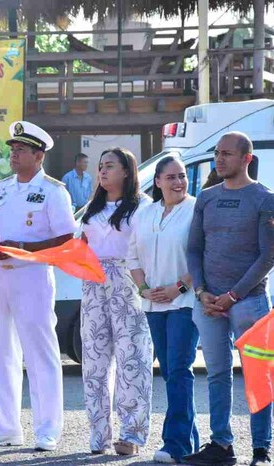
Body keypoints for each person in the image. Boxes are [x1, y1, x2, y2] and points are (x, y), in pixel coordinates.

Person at [0, 122, 75, 451]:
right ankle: (8, 426)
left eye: (21, 150)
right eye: (12, 149)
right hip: (0, 276)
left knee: (40, 353)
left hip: (32, 276)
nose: (13, 154)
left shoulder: (53, 190)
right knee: (3, 352)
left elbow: (65, 238)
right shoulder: (2, 189)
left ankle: (48, 429)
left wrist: (24, 247)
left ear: (38, 155)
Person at [184, 132, 274, 466]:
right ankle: (221, 446)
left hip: (249, 302)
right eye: (217, 154)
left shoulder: (265, 199)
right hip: (208, 302)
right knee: (218, 374)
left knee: (257, 376)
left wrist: (233, 295)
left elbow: (268, 256)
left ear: (246, 159)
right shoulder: (206, 198)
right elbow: (194, 249)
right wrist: (202, 292)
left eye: (227, 154)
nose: (219, 160)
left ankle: (261, 450)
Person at [79, 147, 153, 456]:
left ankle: (131, 435)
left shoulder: (143, 207)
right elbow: (78, 246)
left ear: (127, 171)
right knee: (94, 364)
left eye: (110, 165)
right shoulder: (91, 209)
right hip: (94, 288)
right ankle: (99, 435)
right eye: (101, 166)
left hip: (128, 286)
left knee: (131, 361)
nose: (103, 171)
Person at [127, 156, 200, 464]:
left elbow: (202, 257)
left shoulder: (196, 210)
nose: (178, 182)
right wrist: (144, 289)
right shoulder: (145, 214)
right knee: (171, 372)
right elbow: (133, 257)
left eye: (181, 176)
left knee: (180, 370)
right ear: (157, 181)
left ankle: (176, 443)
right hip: (153, 305)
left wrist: (177, 288)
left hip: (184, 303)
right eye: (170, 177)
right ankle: (190, 441)